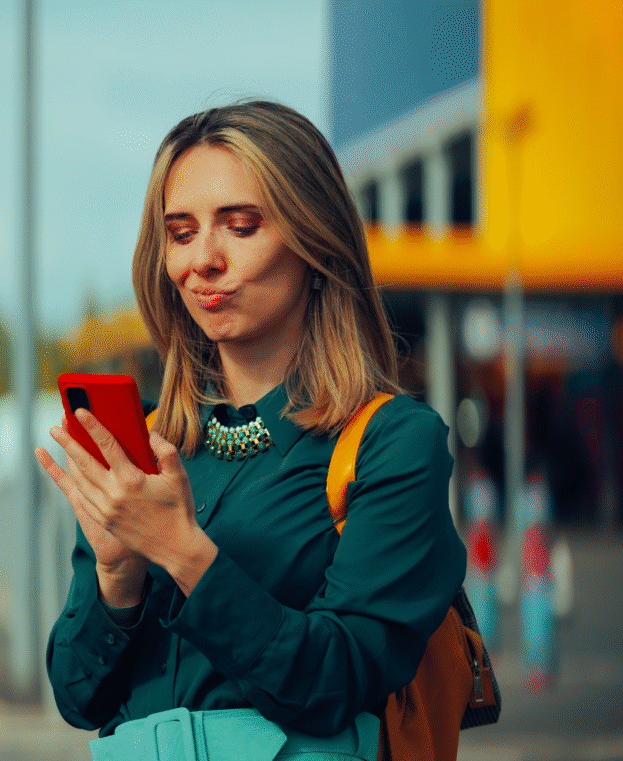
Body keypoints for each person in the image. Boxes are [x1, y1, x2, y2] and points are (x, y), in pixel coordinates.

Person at [35, 101, 467, 761]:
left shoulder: (393, 442)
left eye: (240, 226)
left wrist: (183, 552)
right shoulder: (145, 441)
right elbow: (77, 697)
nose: (203, 259)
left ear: (316, 240)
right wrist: (117, 574)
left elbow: (337, 677)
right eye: (180, 233)